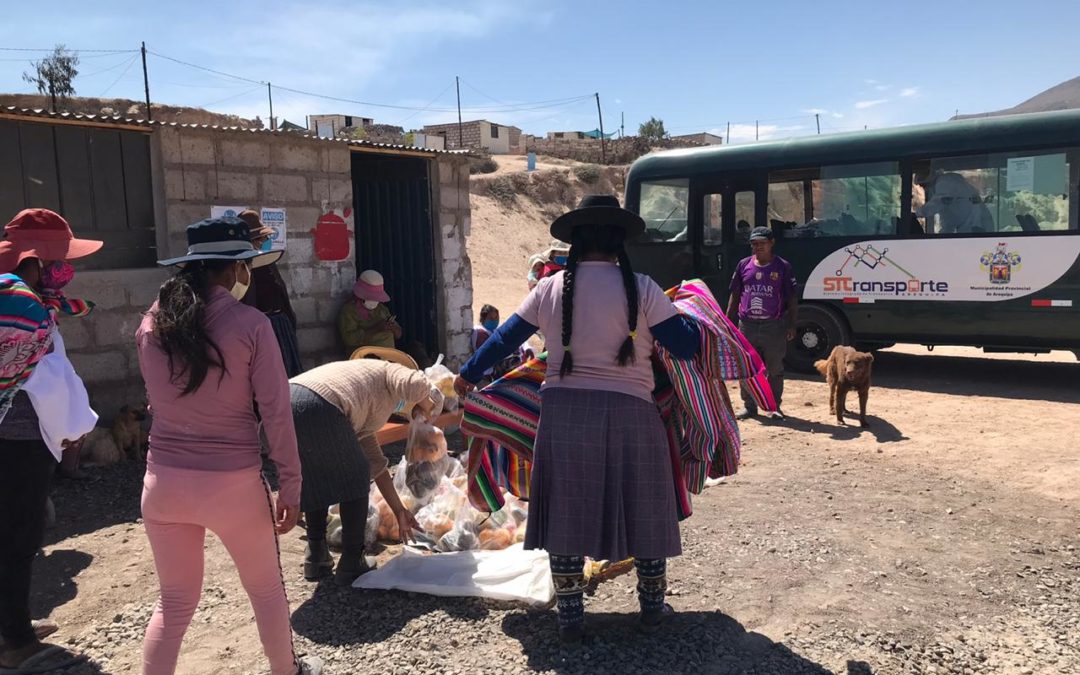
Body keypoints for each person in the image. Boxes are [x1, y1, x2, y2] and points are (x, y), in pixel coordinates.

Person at [454, 195, 699, 642]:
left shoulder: (549, 288)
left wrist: (467, 376)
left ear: (577, 244)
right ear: (620, 243)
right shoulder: (642, 288)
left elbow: (503, 338)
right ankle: (651, 608)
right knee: (642, 507)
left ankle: (570, 617)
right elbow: (685, 346)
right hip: (634, 416)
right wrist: (694, 315)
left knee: (566, 513)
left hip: (564, 417)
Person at [136, 217, 321, 675]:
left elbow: (156, 401)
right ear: (235, 270)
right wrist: (291, 487)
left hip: (162, 485)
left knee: (175, 602)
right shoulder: (251, 324)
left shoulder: (151, 324)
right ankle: (288, 671)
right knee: (266, 591)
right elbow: (277, 412)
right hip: (233, 485)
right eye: (247, 267)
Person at [0, 208, 100, 673]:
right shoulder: (18, 302)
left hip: (20, 433)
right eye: (56, 263)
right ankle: (16, 642)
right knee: (18, 534)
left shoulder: (19, 294)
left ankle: (12, 622)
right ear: (35, 262)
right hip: (18, 436)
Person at [290, 357, 442, 585]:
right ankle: (352, 560)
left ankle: (316, 555)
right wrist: (432, 405)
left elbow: (376, 464)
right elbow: (417, 383)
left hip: (286, 401)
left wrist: (399, 510)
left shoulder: (364, 401)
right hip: (321, 403)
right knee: (356, 476)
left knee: (314, 473)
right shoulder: (387, 371)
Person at [726, 226, 798, 420]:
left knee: (775, 369)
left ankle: (774, 407)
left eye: (762, 243)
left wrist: (792, 324)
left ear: (771, 243)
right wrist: (727, 321)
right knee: (746, 367)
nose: (758, 247)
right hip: (746, 325)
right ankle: (749, 407)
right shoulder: (743, 265)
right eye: (754, 244)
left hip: (773, 326)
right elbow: (735, 294)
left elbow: (791, 298)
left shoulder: (783, 267)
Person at [238, 210, 302, 377]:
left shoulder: (266, 261)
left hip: (280, 325)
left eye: (264, 238)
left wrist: (289, 319)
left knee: (287, 374)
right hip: (260, 328)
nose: (263, 242)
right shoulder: (238, 268)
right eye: (259, 239)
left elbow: (280, 292)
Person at [338, 269, 401, 355]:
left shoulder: (382, 309)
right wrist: (376, 328)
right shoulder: (349, 311)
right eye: (370, 297)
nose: (374, 302)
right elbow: (349, 340)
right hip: (365, 359)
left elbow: (399, 335)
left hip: (389, 358)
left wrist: (392, 327)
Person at [471, 304, 530, 383]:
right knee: (516, 361)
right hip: (489, 369)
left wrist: (526, 347)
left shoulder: (494, 330)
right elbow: (488, 355)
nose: (494, 320)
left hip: (496, 362)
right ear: (483, 319)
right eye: (491, 318)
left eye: (496, 318)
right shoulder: (480, 333)